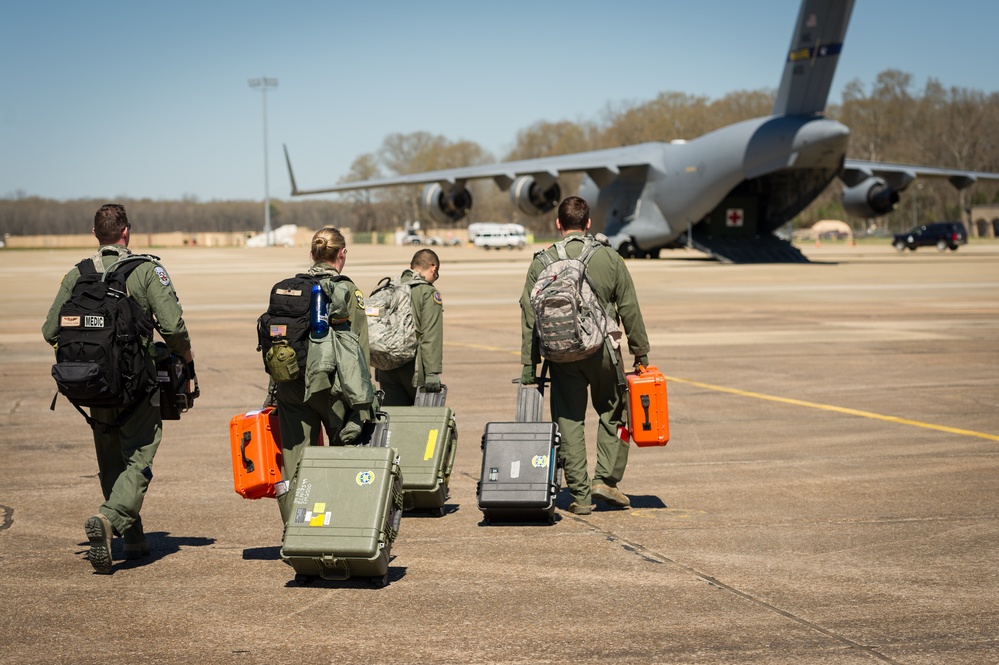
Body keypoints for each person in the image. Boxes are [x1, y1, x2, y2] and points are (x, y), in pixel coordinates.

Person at [42, 203, 195, 573]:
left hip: (92, 385)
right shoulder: (146, 270)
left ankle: (133, 538)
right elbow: (172, 328)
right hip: (136, 387)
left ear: (96, 234)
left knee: (111, 460)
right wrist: (187, 361)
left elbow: (50, 331)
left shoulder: (76, 274)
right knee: (140, 456)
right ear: (126, 232)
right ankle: (109, 519)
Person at [519, 196, 650, 515]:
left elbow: (528, 314)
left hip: (560, 354)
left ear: (558, 224)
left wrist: (529, 365)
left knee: (568, 419)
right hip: (603, 350)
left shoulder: (542, 261)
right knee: (614, 411)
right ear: (589, 223)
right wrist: (640, 353)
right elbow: (629, 308)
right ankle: (605, 479)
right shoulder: (609, 257)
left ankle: (579, 495)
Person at [273, 226, 373, 525]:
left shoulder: (289, 289)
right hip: (331, 386)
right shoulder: (348, 290)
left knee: (296, 461)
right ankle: (335, 526)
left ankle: (295, 530)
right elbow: (360, 350)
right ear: (342, 253)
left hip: (289, 383)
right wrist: (365, 400)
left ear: (312, 254)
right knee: (342, 455)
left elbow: (281, 344)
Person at [375, 248, 444, 406]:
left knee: (393, 422)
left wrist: (379, 367)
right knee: (423, 422)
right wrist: (432, 372)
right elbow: (430, 334)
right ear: (433, 268)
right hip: (414, 369)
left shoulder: (389, 288)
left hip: (387, 367)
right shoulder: (427, 292)